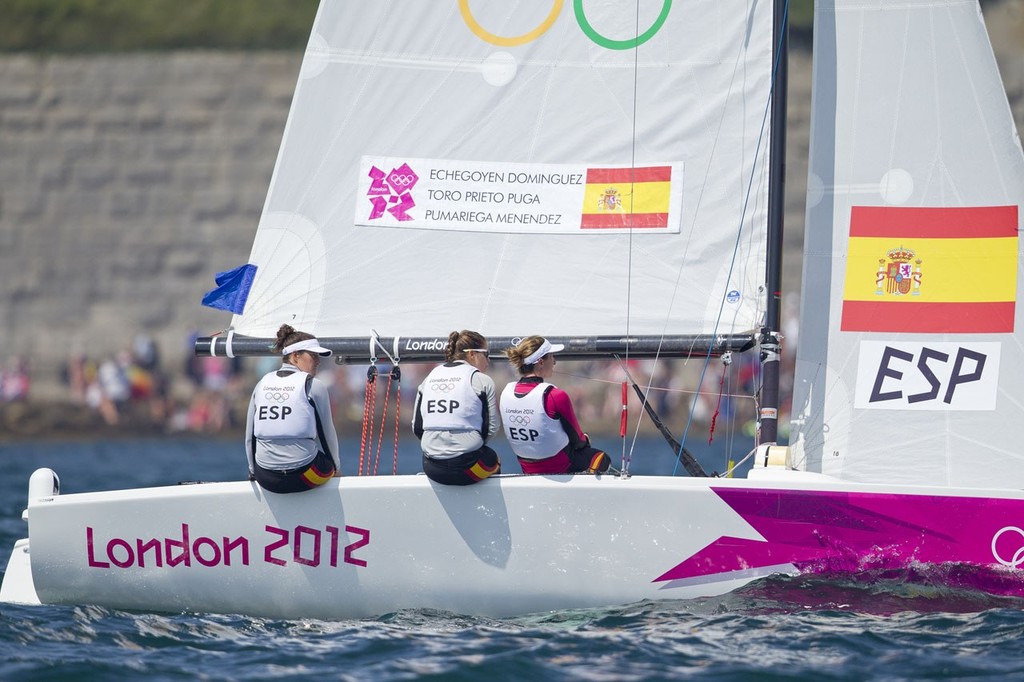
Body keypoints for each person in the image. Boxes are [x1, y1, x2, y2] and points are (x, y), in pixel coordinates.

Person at [244, 324, 341, 493]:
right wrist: (336, 470)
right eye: (313, 355)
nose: (318, 361)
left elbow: (249, 438)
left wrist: (253, 472)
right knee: (327, 465)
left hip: (266, 478)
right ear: (295, 356)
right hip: (304, 476)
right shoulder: (314, 385)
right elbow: (327, 435)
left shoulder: (262, 383)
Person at [501, 336, 611, 475]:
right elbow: (578, 441)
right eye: (552, 357)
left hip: (527, 468)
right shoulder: (555, 395)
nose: (554, 362)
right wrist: (586, 440)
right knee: (602, 459)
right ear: (541, 362)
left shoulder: (506, 392)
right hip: (560, 465)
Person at [412, 330, 501, 485]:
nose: (488, 361)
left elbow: (417, 427)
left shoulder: (428, 378)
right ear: (472, 354)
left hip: (432, 468)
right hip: (467, 469)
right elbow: (492, 429)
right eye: (486, 355)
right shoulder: (482, 380)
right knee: (494, 460)